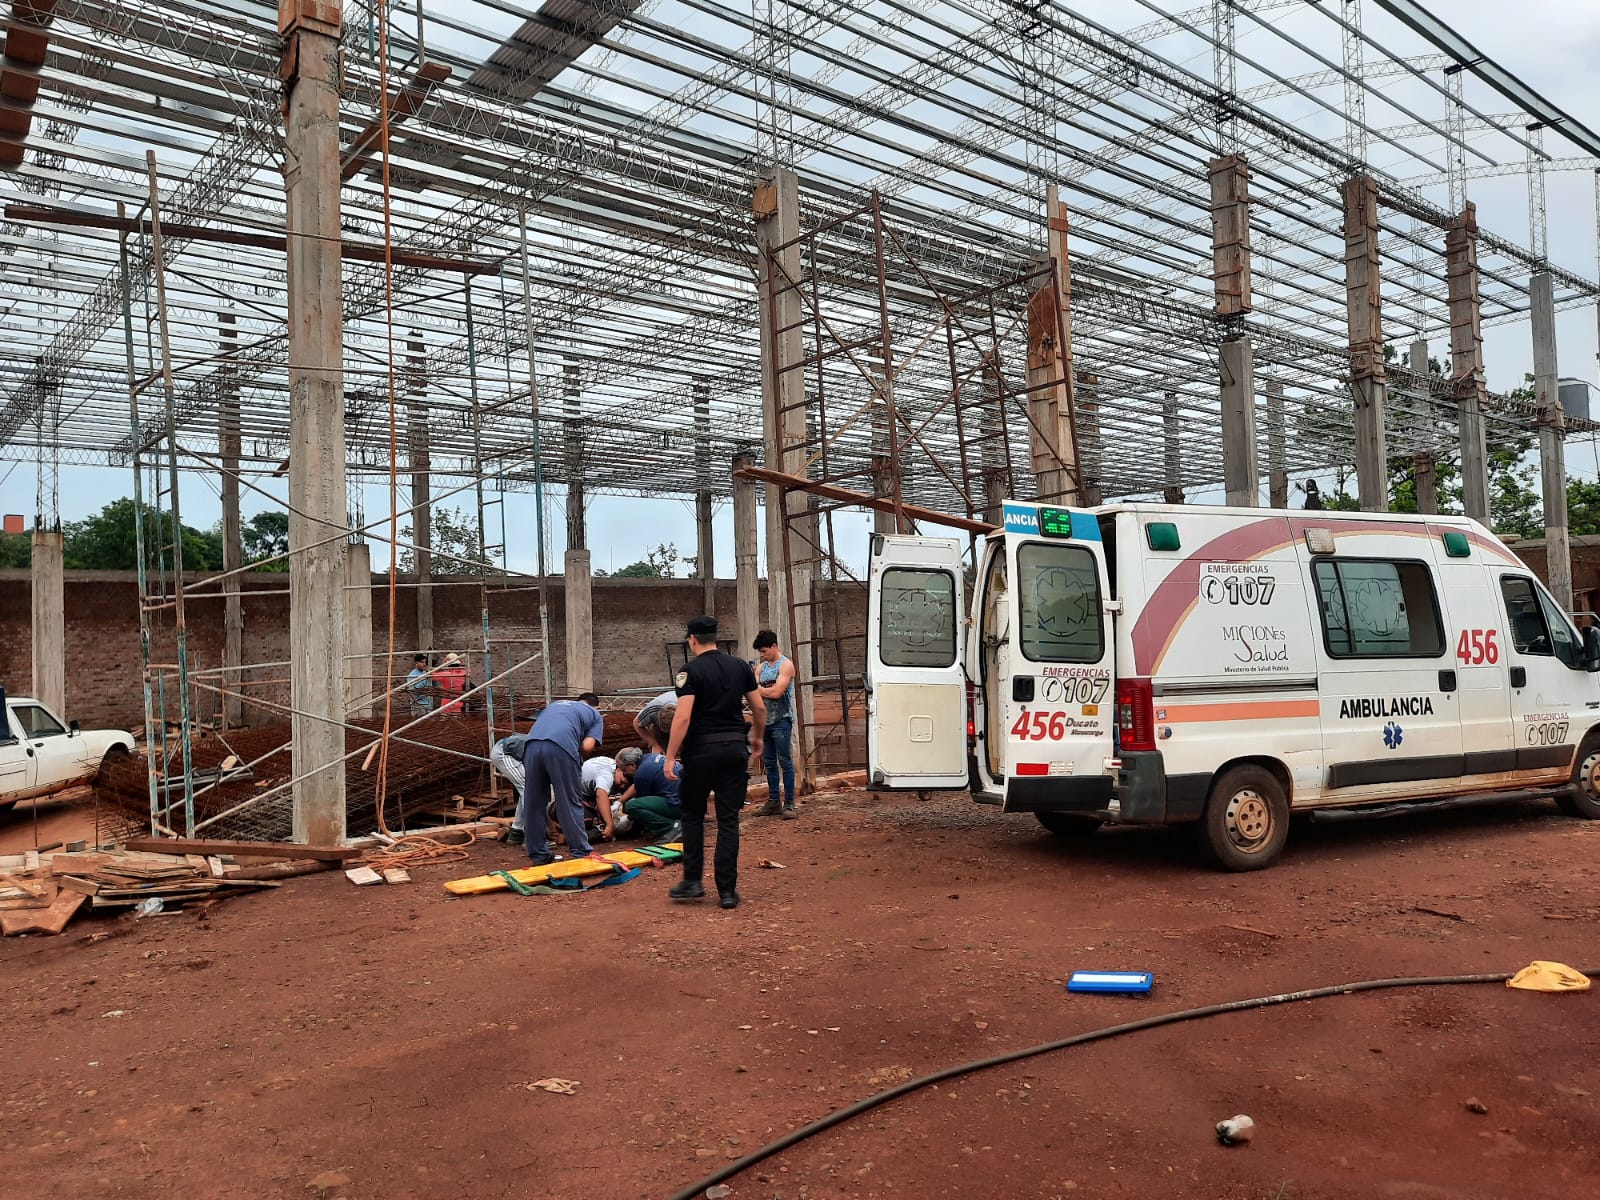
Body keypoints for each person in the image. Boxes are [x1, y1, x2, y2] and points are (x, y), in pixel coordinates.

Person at [664, 615, 764, 910]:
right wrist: (757, 737)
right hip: (734, 749)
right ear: (715, 638)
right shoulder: (740, 666)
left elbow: (682, 716)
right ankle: (728, 892)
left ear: (692, 639)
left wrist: (670, 756)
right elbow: (758, 707)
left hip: (701, 752)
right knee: (729, 820)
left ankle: (693, 881)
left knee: (693, 815)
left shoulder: (690, 671)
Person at [521, 692, 606, 867]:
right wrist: (577, 759)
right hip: (561, 747)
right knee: (569, 800)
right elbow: (587, 745)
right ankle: (582, 851)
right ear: (595, 706)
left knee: (534, 802)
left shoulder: (554, 705)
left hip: (531, 746)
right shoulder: (595, 715)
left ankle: (538, 854)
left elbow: (536, 730)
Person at [752, 630, 797, 819]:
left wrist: (757, 689)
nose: (762, 655)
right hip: (765, 721)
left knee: (785, 761)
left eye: (764, 651)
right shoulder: (760, 668)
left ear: (774, 646)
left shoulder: (786, 665)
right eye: (760, 652)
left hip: (781, 720)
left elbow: (777, 692)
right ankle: (773, 801)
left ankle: (790, 803)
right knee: (770, 763)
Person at [622, 744, 684, 845]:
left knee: (632, 806)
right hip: (691, 801)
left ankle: (673, 827)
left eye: (624, 770)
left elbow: (641, 804)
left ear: (632, 764)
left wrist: (630, 828)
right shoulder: (652, 757)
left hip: (679, 805)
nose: (626, 774)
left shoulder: (641, 774)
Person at [490, 731, 529, 845]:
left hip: (515, 752)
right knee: (529, 790)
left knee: (528, 791)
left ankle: (517, 831)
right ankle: (532, 835)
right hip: (505, 752)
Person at [632, 689, 678, 755]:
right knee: (661, 746)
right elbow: (636, 724)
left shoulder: (692, 708)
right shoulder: (652, 710)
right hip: (659, 724)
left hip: (687, 717)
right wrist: (654, 744)